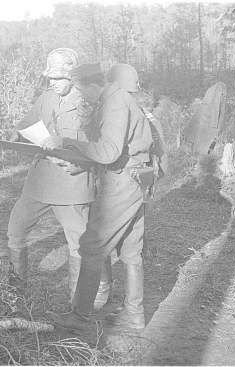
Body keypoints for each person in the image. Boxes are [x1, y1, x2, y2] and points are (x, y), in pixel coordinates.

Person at [42, 63, 154, 330]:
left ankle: (79, 316)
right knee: (130, 250)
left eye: (82, 91)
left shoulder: (115, 102)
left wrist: (65, 142)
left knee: (91, 246)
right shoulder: (117, 98)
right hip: (136, 178)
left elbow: (108, 152)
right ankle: (134, 315)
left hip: (123, 181)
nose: (82, 97)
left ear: (93, 85)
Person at [0, 49, 112, 308]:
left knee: (80, 243)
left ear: (73, 77)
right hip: (40, 181)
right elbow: (26, 126)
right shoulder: (46, 98)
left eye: (58, 78)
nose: (52, 83)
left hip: (73, 183)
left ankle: (82, 300)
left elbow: (100, 147)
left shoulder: (90, 103)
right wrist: (19, 136)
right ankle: (16, 294)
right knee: (15, 230)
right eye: (50, 78)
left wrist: (83, 164)